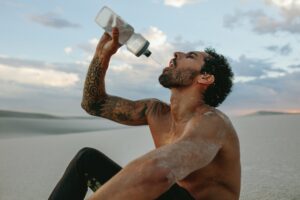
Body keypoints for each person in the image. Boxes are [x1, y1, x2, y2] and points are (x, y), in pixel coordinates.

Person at [49, 27, 240, 200]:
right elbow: (93, 104)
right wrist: (103, 54)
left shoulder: (213, 122)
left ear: (204, 77)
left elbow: (160, 172)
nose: (177, 53)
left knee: (155, 180)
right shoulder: (155, 112)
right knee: (87, 161)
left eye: (190, 56)